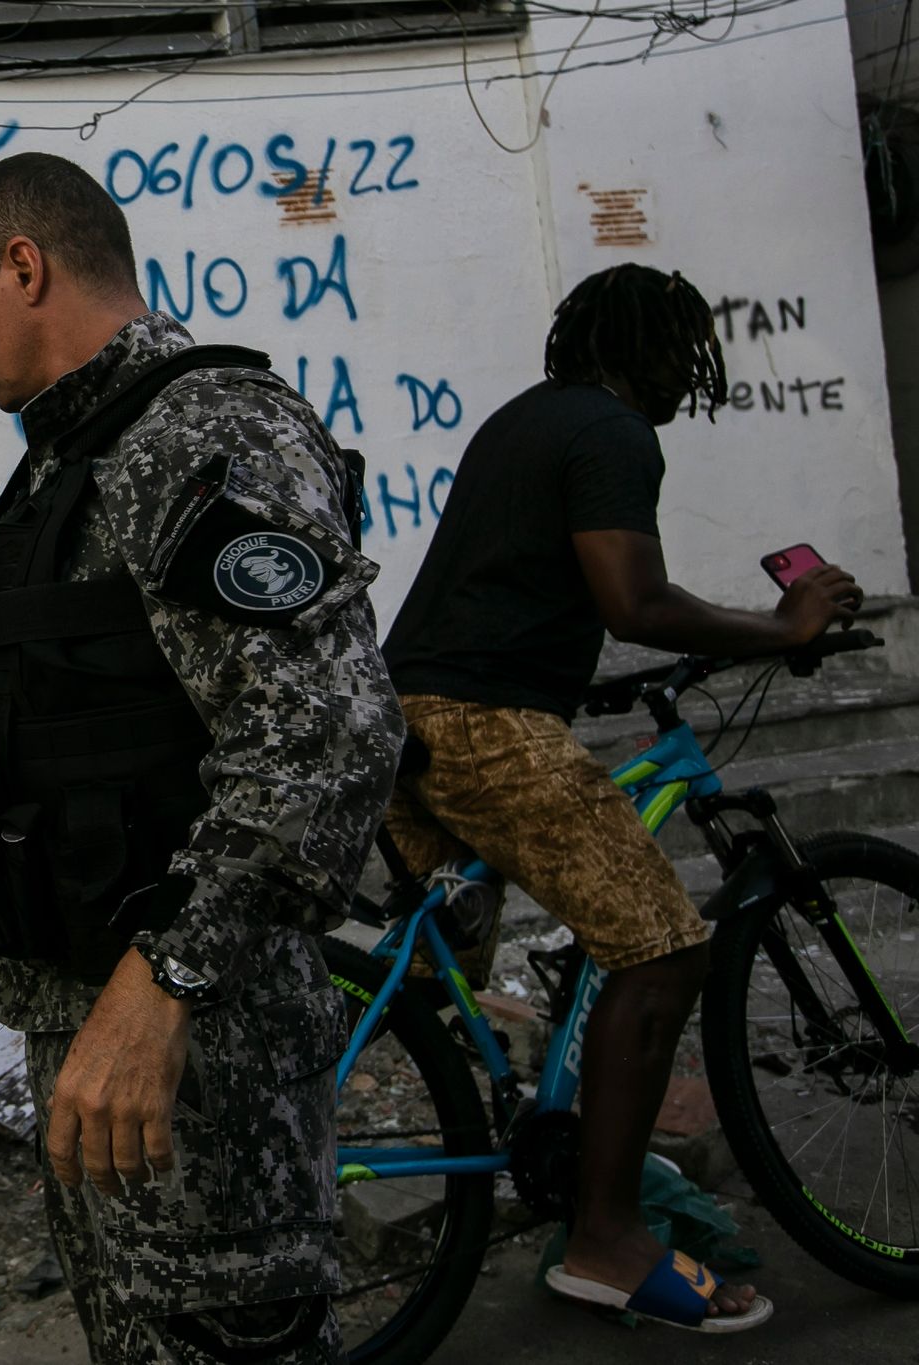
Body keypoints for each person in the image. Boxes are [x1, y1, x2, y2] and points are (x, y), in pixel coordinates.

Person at [0, 152, 402, 1363]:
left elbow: (327, 730)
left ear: (24, 267)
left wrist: (160, 984)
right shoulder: (84, 452)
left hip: (198, 1062)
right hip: (106, 1037)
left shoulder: (204, 430)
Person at [382, 264, 862, 1333]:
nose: (688, 377)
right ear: (646, 349)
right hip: (482, 729)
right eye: (682, 353)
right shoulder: (608, 430)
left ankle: (545, 1154)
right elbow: (632, 600)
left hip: (411, 717)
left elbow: (516, 592)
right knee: (662, 951)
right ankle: (603, 1241)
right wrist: (782, 627)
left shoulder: (523, 421)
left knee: (442, 982)